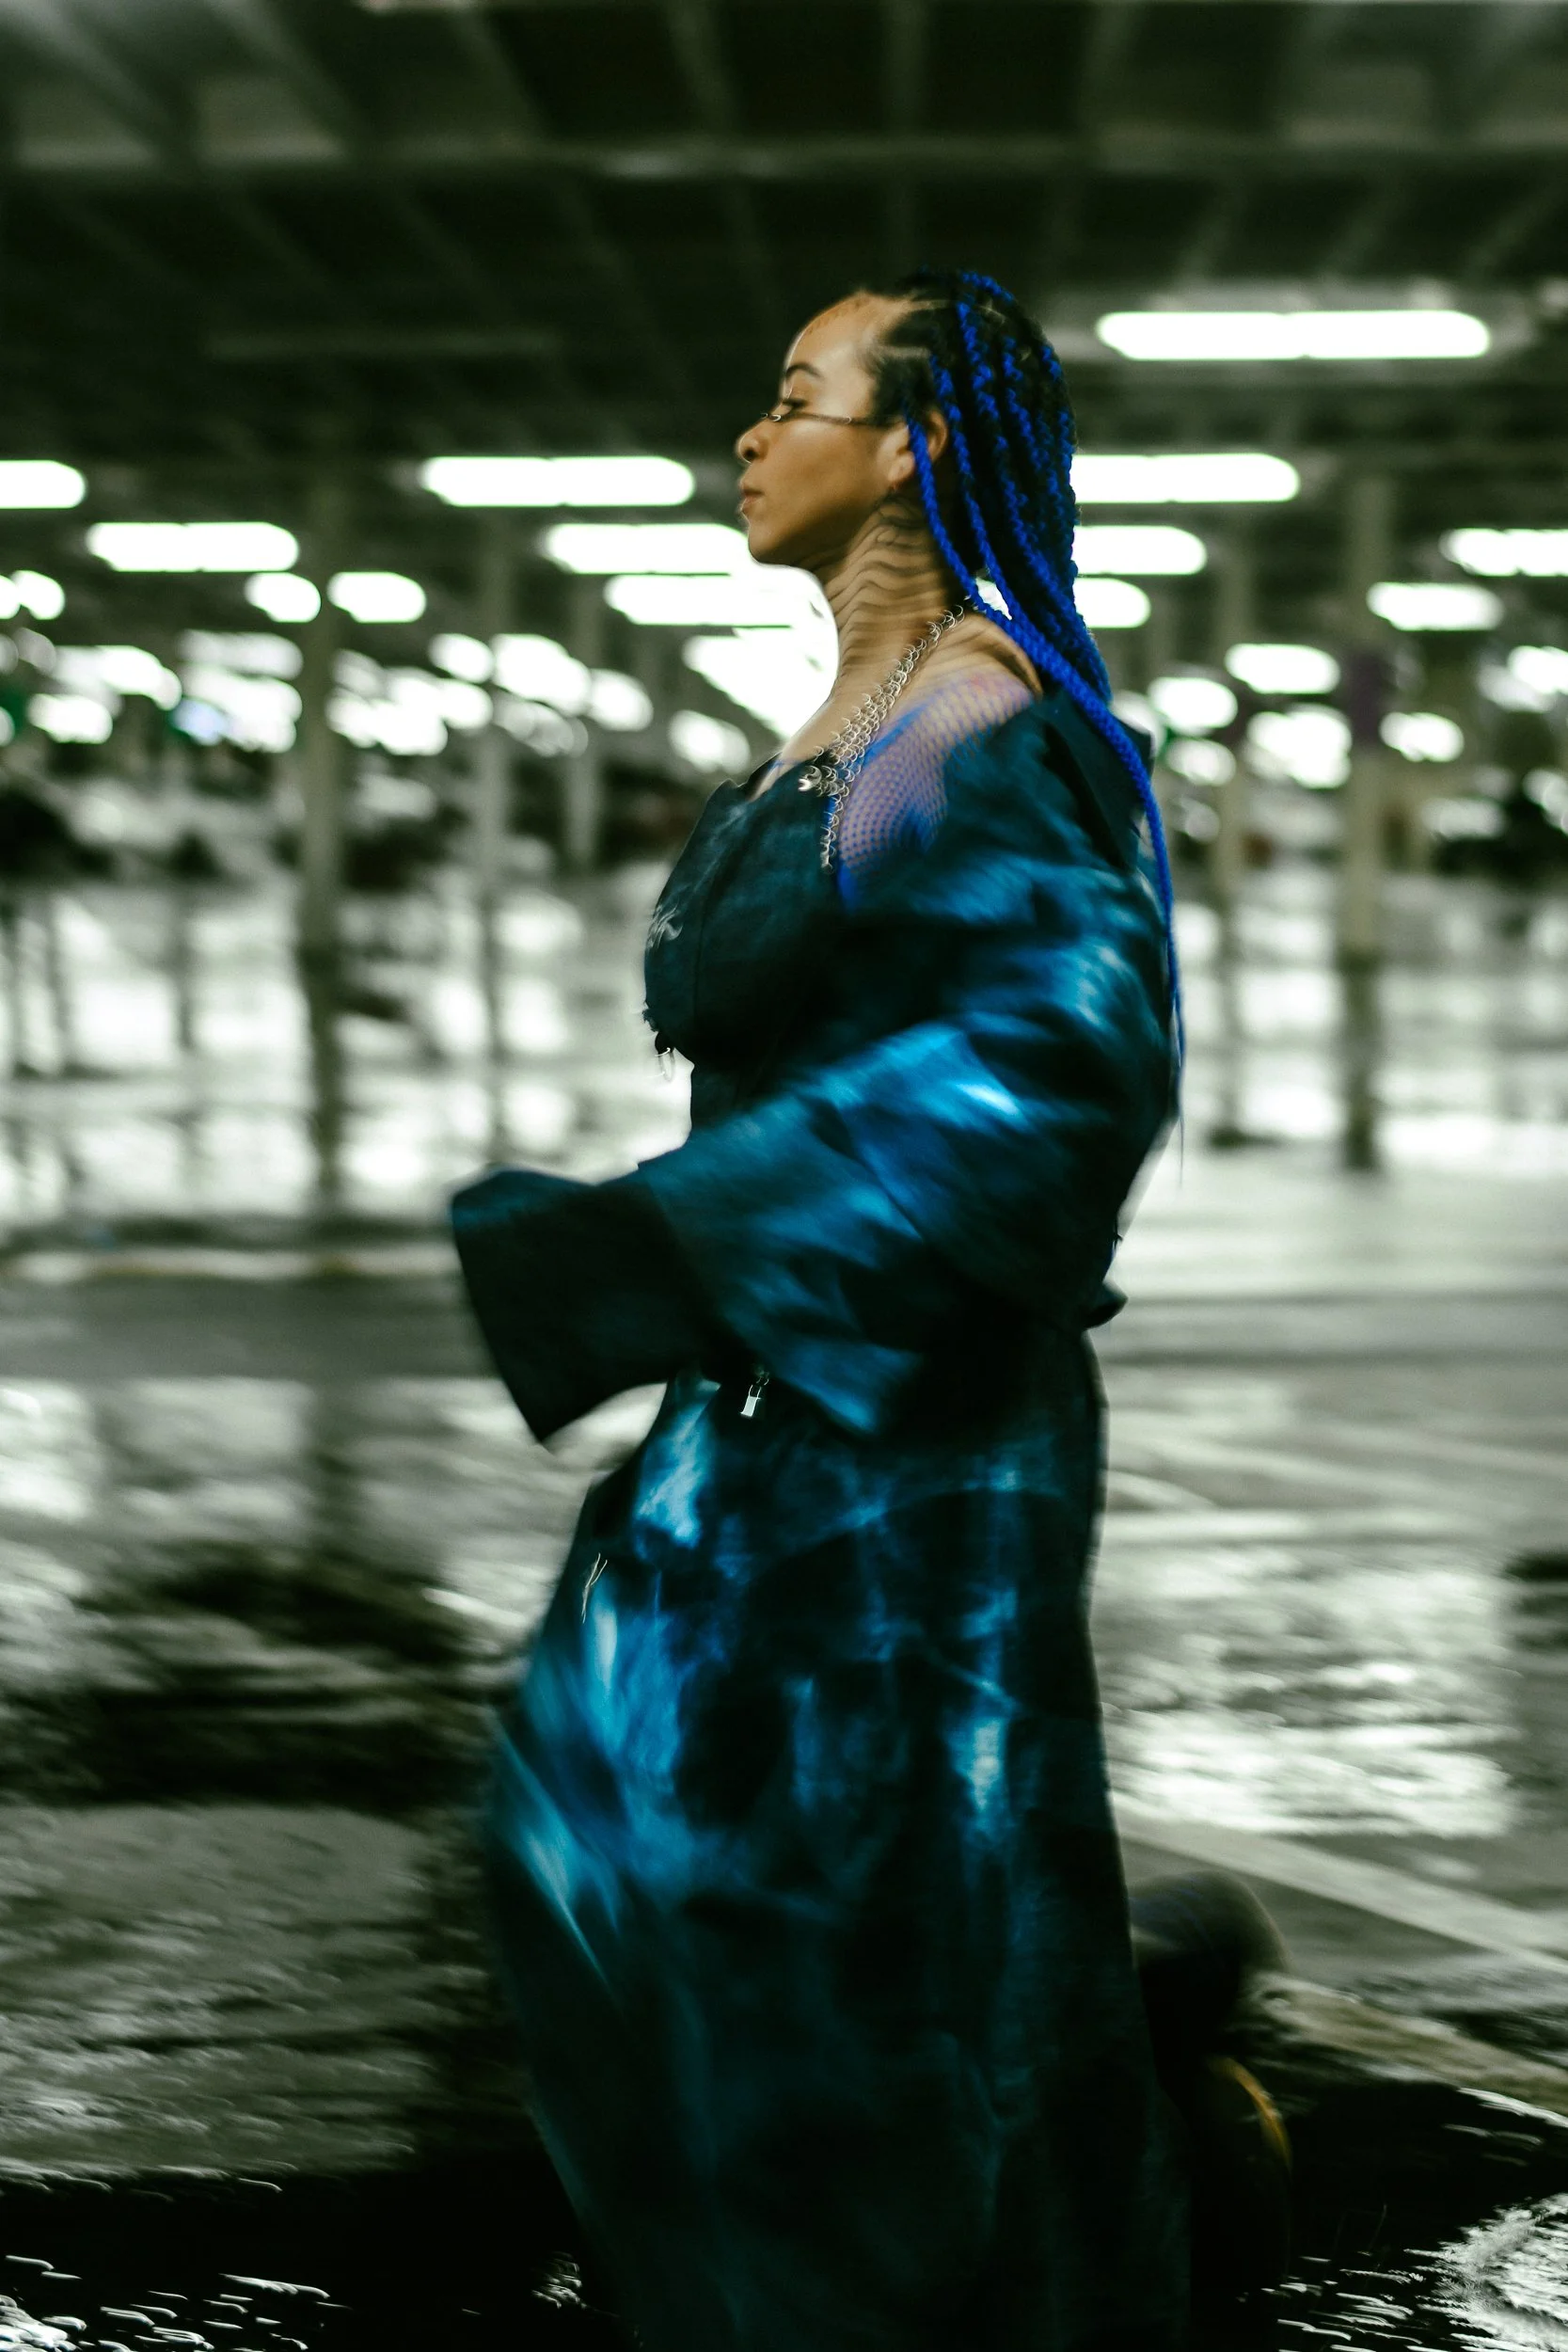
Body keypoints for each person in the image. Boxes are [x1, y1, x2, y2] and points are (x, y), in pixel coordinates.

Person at [453, 269, 1190, 2352]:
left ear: (915, 443)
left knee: (880, 1925)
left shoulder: (989, 723)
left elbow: (1059, 1075)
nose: (749, 434)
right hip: (765, 1421)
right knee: (608, 1838)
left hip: (917, 1450)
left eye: (796, 396)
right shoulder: (840, 731)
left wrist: (664, 1246)